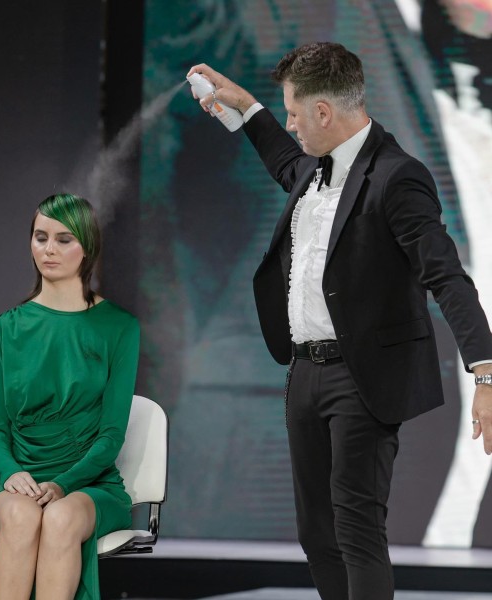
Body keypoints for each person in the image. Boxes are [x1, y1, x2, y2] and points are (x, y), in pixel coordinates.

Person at [188, 41, 492, 600]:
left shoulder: (398, 177)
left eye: (295, 114)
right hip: (304, 373)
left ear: (324, 113)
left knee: (356, 529)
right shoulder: (312, 167)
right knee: (317, 534)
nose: (290, 125)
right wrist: (247, 107)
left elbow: (446, 276)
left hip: (362, 377)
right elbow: (284, 160)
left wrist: (486, 372)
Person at [0, 193, 140, 600]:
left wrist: (62, 484)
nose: (49, 249)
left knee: (58, 518)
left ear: (86, 246)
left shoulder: (119, 327)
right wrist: (10, 473)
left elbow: (111, 435)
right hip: (17, 481)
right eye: (41, 238)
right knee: (22, 517)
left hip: (89, 484)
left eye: (63, 239)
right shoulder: (6, 328)